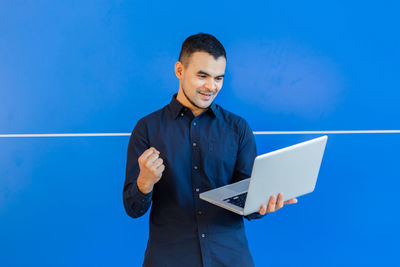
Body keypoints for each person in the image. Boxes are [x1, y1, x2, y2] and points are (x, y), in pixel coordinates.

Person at [123, 33, 298, 267]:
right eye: (202, 76)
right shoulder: (147, 128)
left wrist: (263, 203)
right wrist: (145, 182)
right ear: (179, 70)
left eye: (218, 78)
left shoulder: (238, 128)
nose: (211, 86)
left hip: (230, 258)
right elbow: (133, 208)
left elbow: (249, 207)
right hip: (169, 259)